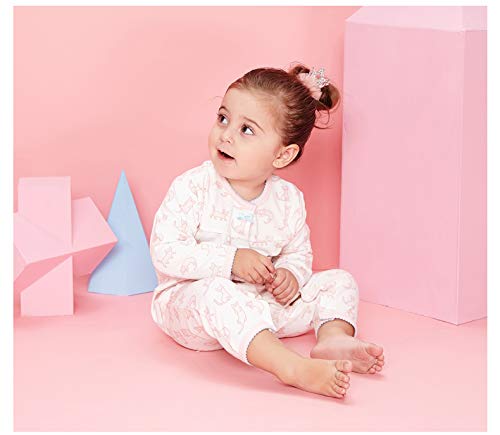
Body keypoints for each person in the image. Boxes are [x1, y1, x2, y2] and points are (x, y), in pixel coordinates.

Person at [149, 63, 384, 399]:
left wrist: (290, 275)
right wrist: (231, 261)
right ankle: (289, 366)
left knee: (338, 280)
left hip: (262, 306)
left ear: (283, 155)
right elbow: (166, 252)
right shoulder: (194, 186)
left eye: (246, 129)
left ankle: (333, 337)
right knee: (216, 291)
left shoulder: (288, 199)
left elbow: (298, 253)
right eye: (223, 118)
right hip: (193, 310)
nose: (226, 135)